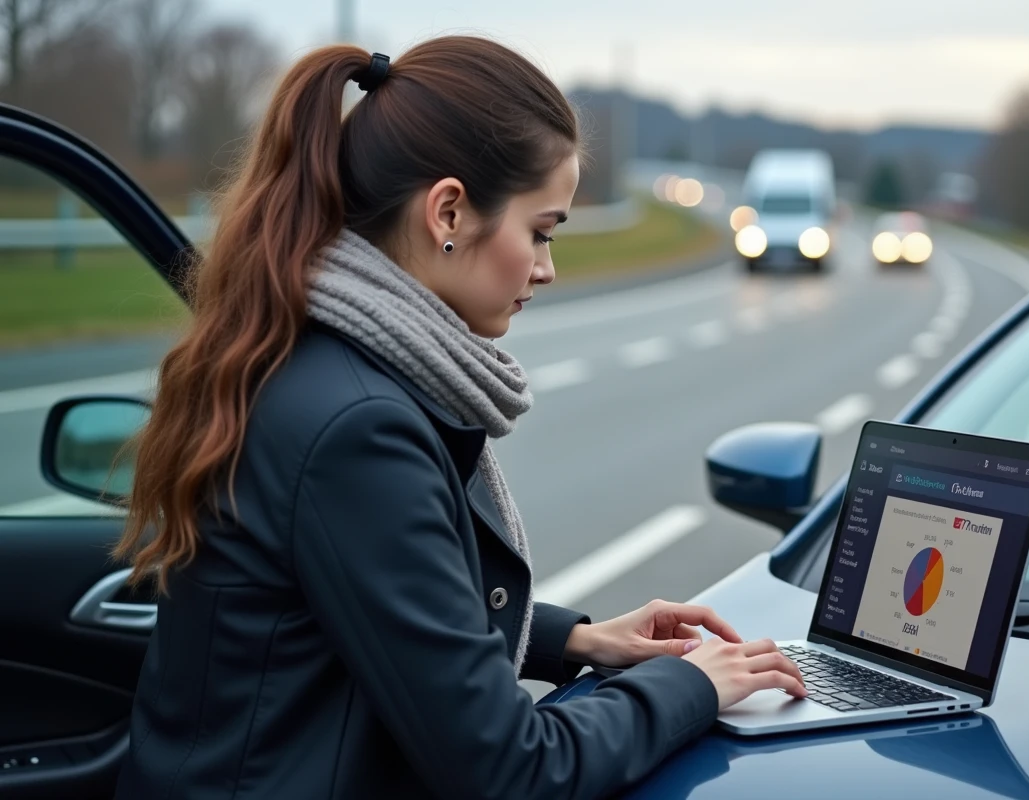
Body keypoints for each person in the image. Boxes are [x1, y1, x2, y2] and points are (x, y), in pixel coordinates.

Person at [112, 36, 806, 800]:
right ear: (448, 211)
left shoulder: (301, 353)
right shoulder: (360, 426)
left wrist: (576, 639)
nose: (547, 267)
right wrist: (695, 687)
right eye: (540, 231)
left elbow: (367, 611)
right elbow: (512, 769)